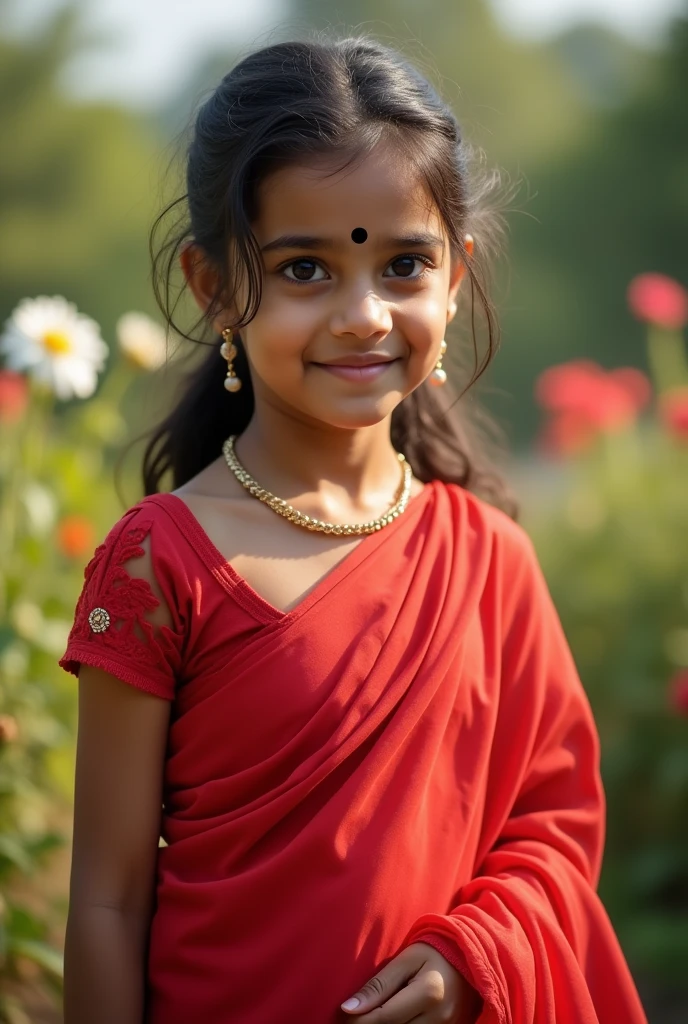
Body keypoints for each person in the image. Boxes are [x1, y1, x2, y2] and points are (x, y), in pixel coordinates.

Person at [60, 37, 648, 1024]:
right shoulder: (162, 562)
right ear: (214, 288)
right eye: (304, 268)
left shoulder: (489, 558)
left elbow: (553, 829)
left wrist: (473, 960)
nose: (363, 314)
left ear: (453, 279)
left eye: (403, 264)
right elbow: (106, 899)